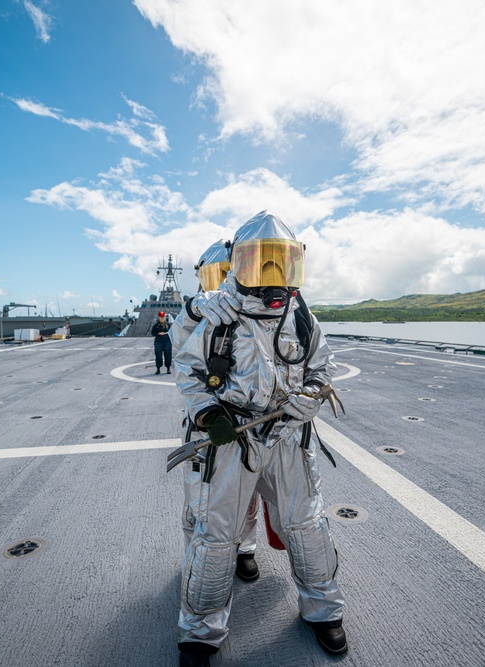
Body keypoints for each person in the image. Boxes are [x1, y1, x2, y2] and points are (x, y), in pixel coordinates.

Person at [171, 211, 347, 667]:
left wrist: (311, 396)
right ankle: (200, 633)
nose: (271, 274)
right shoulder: (220, 313)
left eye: (279, 260)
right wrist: (208, 413)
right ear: (239, 264)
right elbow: (187, 369)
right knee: (216, 536)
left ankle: (324, 609)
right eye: (259, 260)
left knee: (307, 525)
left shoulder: (300, 315)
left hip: (289, 436)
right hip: (233, 440)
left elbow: (321, 366)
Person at [172, 239, 262, 583]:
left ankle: (245, 550)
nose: (223, 284)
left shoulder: (251, 313)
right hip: (206, 421)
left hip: (248, 423)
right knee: (200, 498)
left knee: (248, 496)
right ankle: (197, 558)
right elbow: (180, 352)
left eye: (229, 274)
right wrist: (194, 309)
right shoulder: (198, 313)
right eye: (216, 275)